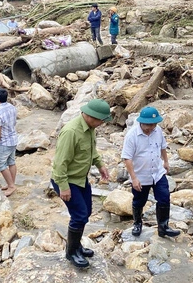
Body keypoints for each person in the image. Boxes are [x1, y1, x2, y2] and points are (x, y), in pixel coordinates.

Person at [51, 99, 112, 268]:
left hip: (80, 178)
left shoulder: (90, 128)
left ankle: (77, 245)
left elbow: (91, 151)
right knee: (79, 215)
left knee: (86, 212)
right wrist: (63, 187)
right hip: (67, 180)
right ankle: (71, 253)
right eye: (101, 120)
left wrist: (100, 165)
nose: (102, 124)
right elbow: (60, 163)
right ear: (91, 116)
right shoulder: (71, 132)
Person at [122, 106, 180, 238]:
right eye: (148, 125)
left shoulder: (157, 130)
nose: (151, 127)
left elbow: (163, 147)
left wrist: (165, 161)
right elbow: (127, 158)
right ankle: (137, 223)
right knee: (139, 201)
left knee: (164, 198)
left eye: (153, 124)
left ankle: (163, 227)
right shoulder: (132, 136)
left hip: (157, 172)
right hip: (141, 175)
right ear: (141, 122)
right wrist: (134, 178)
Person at [0, 88, 18, 196]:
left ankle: (11, 186)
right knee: (11, 162)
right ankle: (11, 183)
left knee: (1, 165)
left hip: (5, 141)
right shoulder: (12, 107)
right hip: (13, 138)